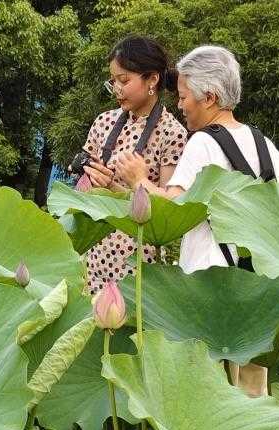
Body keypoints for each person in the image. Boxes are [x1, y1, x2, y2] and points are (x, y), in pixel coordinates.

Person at [119, 44, 279, 396]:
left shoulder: (202, 143)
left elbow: (172, 206)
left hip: (208, 293)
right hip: (256, 292)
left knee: (207, 398)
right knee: (249, 399)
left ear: (209, 97)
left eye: (184, 97)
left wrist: (139, 180)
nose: (180, 105)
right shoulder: (265, 145)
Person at [77, 35, 188, 295]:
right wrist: (91, 178)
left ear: (152, 80)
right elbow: (80, 186)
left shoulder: (173, 134)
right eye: (113, 81)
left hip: (138, 262)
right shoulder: (103, 122)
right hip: (94, 253)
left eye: (124, 80)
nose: (117, 88)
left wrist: (118, 186)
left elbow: (167, 214)